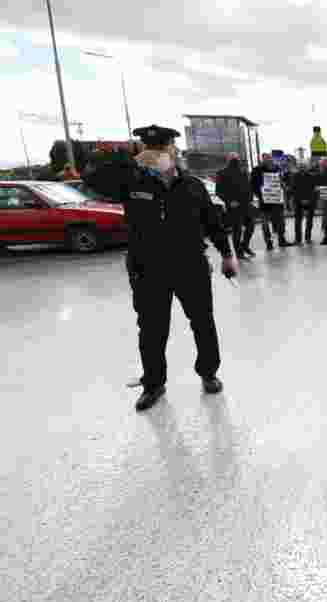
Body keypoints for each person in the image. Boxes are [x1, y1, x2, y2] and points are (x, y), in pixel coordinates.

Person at [82, 124, 239, 411]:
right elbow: (92, 180)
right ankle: (153, 384)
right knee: (152, 329)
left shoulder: (192, 185)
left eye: (161, 149)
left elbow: (212, 222)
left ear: (172, 151)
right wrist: (120, 158)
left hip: (190, 265)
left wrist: (228, 254)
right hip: (148, 268)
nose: (156, 155)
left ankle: (208, 372)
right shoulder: (132, 182)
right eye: (149, 150)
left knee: (203, 322)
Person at [215, 153, 254, 259]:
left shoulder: (243, 172)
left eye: (236, 158)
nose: (235, 160)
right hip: (234, 206)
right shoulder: (222, 173)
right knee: (237, 230)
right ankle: (239, 253)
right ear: (228, 160)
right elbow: (218, 191)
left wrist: (250, 199)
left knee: (250, 226)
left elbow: (248, 187)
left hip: (245, 204)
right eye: (233, 159)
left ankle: (244, 246)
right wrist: (229, 201)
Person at [251, 154, 293, 249]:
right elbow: (253, 185)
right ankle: (269, 243)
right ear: (263, 160)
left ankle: (282, 240)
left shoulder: (277, 168)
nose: (269, 160)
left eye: (270, 159)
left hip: (277, 200)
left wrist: (283, 186)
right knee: (265, 224)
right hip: (264, 201)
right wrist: (261, 194)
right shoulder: (257, 170)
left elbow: (281, 180)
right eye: (267, 159)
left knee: (281, 221)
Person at [291, 162, 318, 244]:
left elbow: (314, 190)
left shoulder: (311, 176)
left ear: (306, 167)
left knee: (309, 221)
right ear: (298, 168)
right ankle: (298, 239)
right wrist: (301, 200)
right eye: (301, 166)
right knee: (298, 221)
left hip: (310, 201)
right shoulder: (294, 176)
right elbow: (294, 189)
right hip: (298, 201)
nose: (302, 168)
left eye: (304, 166)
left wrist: (310, 200)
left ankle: (308, 238)